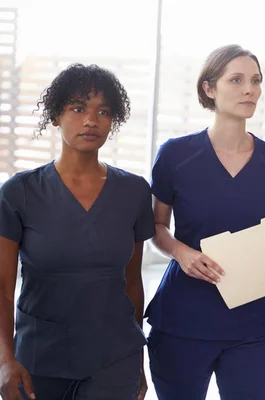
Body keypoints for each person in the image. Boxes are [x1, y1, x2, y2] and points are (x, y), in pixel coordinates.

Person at [145, 44, 265, 400]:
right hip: (184, 318)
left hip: (252, 324)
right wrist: (182, 253)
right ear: (209, 88)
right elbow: (156, 229)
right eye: (236, 80)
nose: (250, 89)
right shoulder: (175, 154)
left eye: (256, 80)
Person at [0, 63, 155, 400]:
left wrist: (138, 359)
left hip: (114, 358)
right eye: (78, 108)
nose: (91, 120)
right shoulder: (19, 192)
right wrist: (5, 359)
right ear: (56, 115)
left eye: (103, 111)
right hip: (39, 358)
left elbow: (132, 282)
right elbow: (3, 290)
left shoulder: (134, 191)